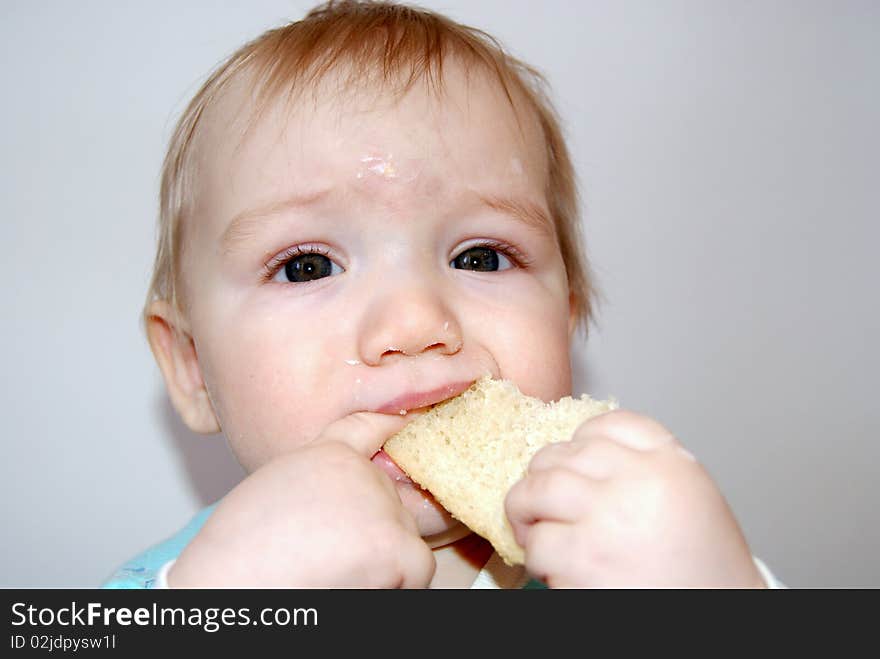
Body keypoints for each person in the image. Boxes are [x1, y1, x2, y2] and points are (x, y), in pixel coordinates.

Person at [104, 0, 781, 589]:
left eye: (480, 256)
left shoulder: (628, 558)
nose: (415, 320)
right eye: (307, 266)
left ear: (566, 320)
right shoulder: (192, 582)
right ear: (192, 365)